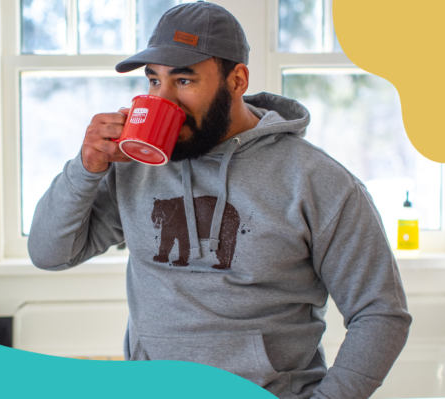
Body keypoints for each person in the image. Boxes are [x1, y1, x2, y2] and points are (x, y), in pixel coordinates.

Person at [28, 1, 411, 398]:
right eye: (154, 81)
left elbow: (381, 313)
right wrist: (86, 167)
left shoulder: (317, 181)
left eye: (184, 81)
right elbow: (50, 253)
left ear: (237, 80)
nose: (165, 100)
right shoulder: (134, 167)